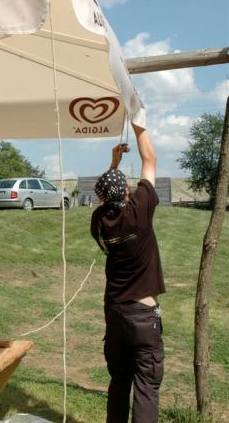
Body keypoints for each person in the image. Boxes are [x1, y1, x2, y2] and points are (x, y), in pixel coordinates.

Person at [90, 125, 165, 423]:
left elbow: (106, 197)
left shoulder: (99, 221)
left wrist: (113, 165)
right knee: (146, 388)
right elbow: (150, 160)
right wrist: (138, 122)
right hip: (142, 316)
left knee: (119, 381)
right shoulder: (138, 213)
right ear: (127, 191)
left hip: (115, 314)